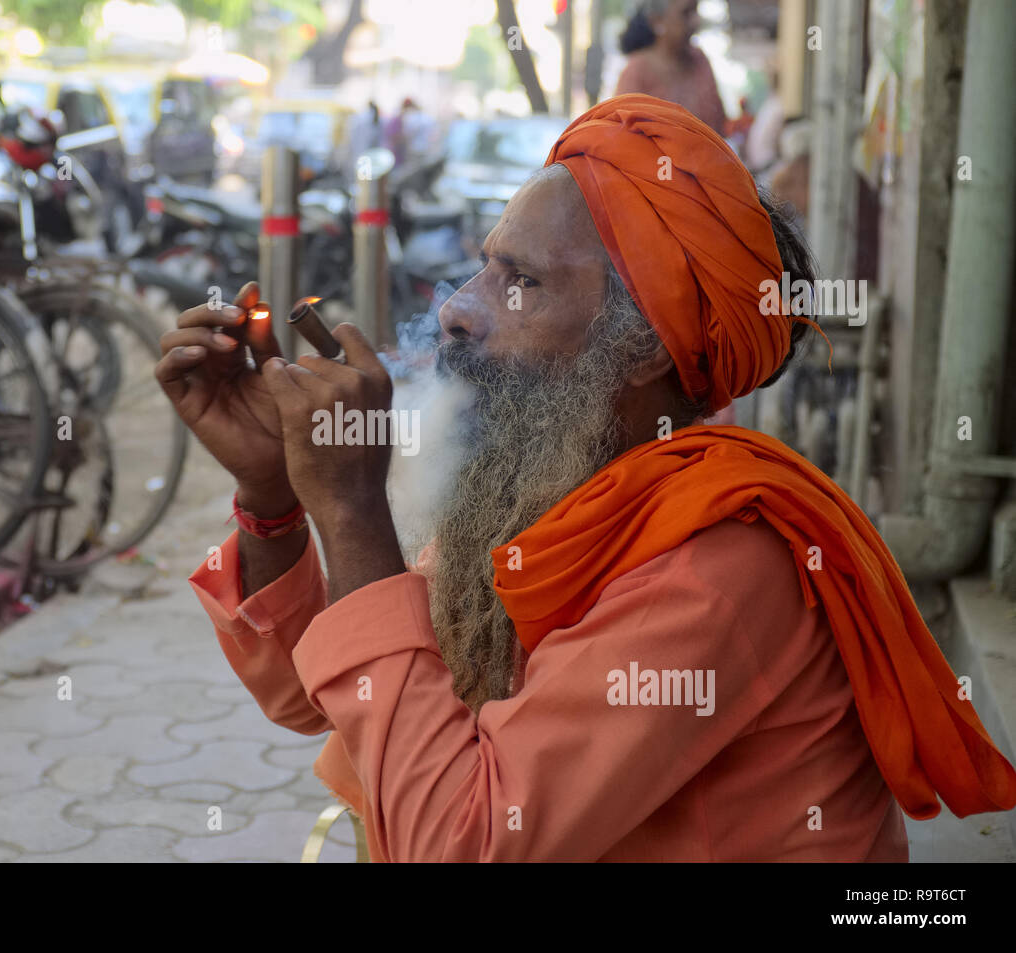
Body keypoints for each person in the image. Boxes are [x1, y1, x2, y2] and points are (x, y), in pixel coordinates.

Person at [156, 94, 1016, 861]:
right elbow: (319, 697)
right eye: (485, 264)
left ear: (639, 347)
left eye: (521, 282)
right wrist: (274, 500)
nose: (457, 306)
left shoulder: (711, 565)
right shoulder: (541, 482)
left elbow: (456, 840)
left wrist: (350, 510)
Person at [614, 0, 727, 137]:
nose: (695, 21)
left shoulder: (699, 61)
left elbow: (720, 126)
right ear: (658, 21)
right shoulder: (637, 71)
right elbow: (624, 136)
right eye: (686, 13)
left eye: (695, 11)